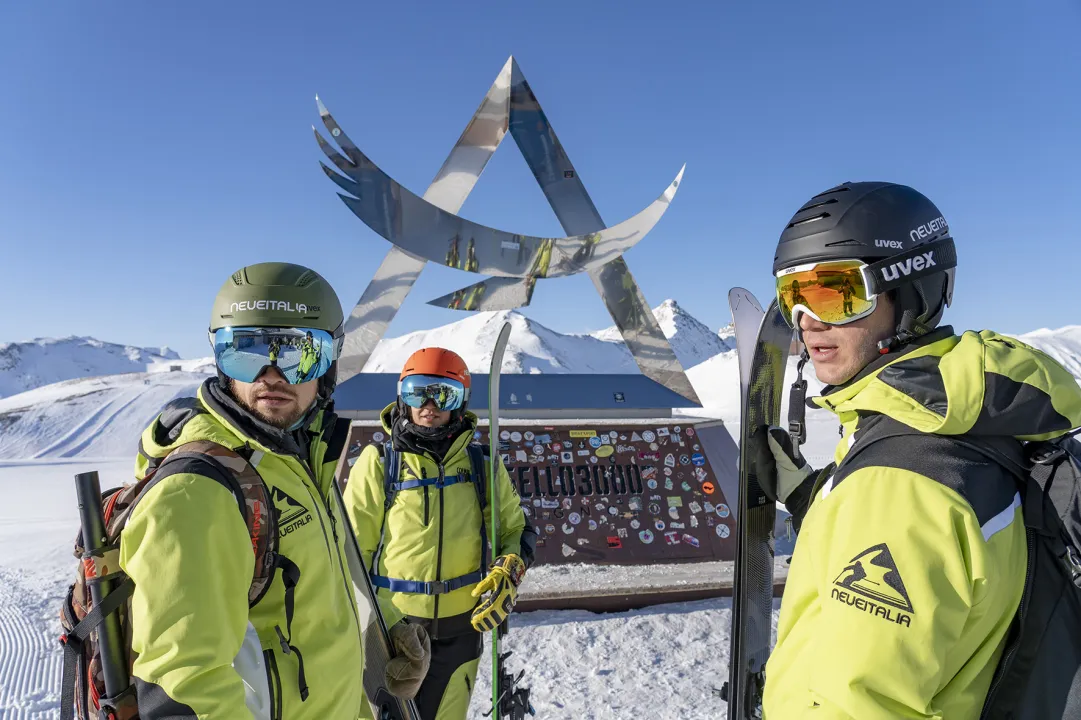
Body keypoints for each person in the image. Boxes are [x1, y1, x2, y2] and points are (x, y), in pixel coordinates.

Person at [759, 182, 1081, 718]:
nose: (807, 322)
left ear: (910, 294)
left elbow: (854, 704)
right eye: (793, 296)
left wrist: (866, 501)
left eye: (836, 292)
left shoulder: (899, 484)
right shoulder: (970, 425)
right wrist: (820, 501)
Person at [118, 262, 407, 719]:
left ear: (329, 363)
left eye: (297, 353)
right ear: (219, 358)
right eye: (246, 351)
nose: (271, 375)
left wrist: (387, 630)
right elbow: (185, 689)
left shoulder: (297, 456)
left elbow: (324, 592)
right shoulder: (199, 491)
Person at [343, 347, 537, 720]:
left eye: (443, 394)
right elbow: (349, 556)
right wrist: (380, 624)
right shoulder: (381, 463)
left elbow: (517, 529)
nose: (428, 405)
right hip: (393, 632)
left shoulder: (482, 465)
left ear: (460, 402)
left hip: (462, 629)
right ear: (403, 398)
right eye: (418, 392)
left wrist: (509, 567)